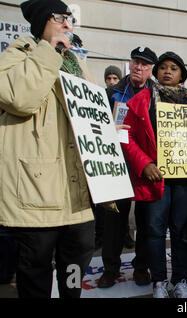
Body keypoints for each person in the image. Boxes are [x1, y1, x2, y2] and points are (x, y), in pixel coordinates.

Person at [0, 0, 96, 298]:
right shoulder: (14, 58)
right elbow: (21, 98)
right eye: (60, 18)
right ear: (43, 22)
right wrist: (49, 50)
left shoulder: (76, 63)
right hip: (35, 198)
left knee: (73, 271)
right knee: (36, 277)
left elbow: (91, 112)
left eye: (70, 19)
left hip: (77, 198)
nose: (68, 25)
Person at [122, 51, 187, 298]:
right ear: (156, 72)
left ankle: (180, 279)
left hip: (186, 180)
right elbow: (126, 135)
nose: (167, 71)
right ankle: (159, 281)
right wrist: (145, 164)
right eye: (163, 67)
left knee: (182, 230)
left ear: (182, 74)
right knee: (153, 230)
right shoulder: (141, 100)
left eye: (174, 67)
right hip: (155, 178)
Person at [97, 46, 158, 289]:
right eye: (135, 62)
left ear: (150, 70)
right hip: (118, 164)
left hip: (145, 166)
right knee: (114, 221)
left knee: (145, 220)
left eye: (144, 64)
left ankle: (141, 267)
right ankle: (110, 269)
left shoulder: (157, 95)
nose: (138, 67)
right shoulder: (112, 92)